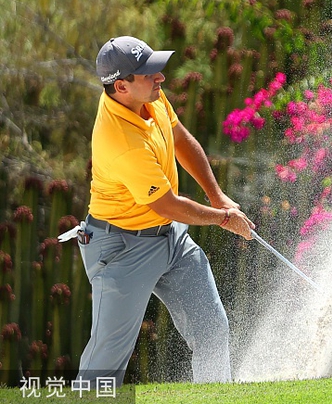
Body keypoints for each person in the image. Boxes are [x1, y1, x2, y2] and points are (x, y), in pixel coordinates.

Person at [75, 36, 255, 387]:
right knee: (106, 362)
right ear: (121, 86)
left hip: (168, 236)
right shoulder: (121, 141)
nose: (161, 78)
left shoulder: (149, 97)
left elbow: (181, 140)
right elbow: (167, 203)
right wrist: (223, 219)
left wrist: (217, 196)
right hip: (121, 249)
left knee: (211, 329)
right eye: (149, 73)